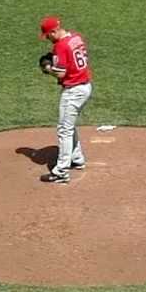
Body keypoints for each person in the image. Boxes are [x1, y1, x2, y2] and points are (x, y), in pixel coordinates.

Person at [38, 16, 93, 183]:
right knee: (69, 126)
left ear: (54, 31)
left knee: (64, 130)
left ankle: (61, 171)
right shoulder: (75, 38)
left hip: (73, 91)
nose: (47, 38)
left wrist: (48, 68)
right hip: (85, 86)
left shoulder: (60, 46)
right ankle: (77, 158)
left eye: (48, 35)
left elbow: (61, 73)